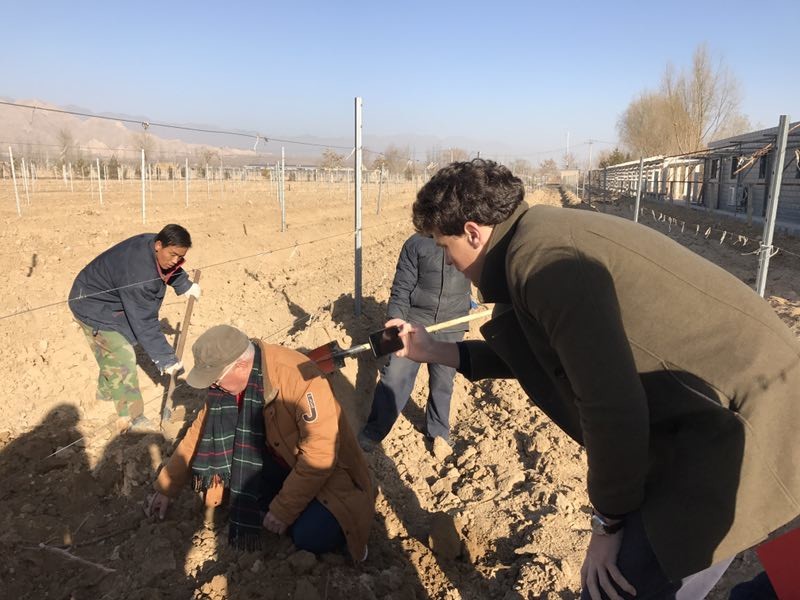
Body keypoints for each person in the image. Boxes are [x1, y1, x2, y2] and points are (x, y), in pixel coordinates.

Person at [390, 159, 800, 599]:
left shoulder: (544, 262)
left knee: (618, 586)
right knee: (785, 583)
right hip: (747, 398)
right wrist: (435, 351)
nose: (449, 264)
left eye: (444, 246)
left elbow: (613, 409)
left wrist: (608, 522)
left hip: (740, 420)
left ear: (473, 232)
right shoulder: (538, 236)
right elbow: (555, 352)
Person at [145, 325, 374, 561]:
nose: (213, 387)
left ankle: (345, 533)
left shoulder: (301, 379)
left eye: (216, 380)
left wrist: (283, 510)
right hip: (279, 461)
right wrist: (165, 488)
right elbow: (199, 431)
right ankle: (275, 506)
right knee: (239, 491)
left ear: (241, 365)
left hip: (329, 475)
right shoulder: (230, 384)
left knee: (309, 536)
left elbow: (320, 456)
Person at [69, 224, 200, 430]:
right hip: (91, 304)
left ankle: (106, 393)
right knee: (122, 354)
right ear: (158, 245)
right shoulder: (140, 276)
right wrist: (166, 358)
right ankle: (132, 418)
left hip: (111, 299)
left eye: (180, 257)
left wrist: (183, 284)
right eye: (173, 254)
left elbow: (168, 267)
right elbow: (145, 321)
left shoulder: (155, 246)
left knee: (115, 350)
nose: (175, 261)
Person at [358, 232, 471, 452]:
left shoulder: (466, 238)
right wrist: (395, 317)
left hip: (453, 321)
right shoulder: (416, 243)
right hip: (416, 320)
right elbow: (402, 285)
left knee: (443, 381)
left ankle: (438, 433)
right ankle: (375, 430)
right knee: (395, 376)